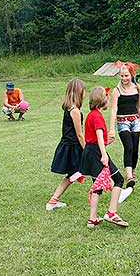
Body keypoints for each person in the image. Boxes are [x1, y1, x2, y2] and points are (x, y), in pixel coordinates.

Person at [80, 86, 128, 228]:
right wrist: (103, 154)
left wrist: (106, 143)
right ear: (103, 100)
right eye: (106, 97)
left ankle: (92, 219)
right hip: (96, 153)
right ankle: (112, 213)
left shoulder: (91, 115)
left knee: (97, 185)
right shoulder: (98, 117)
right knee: (118, 179)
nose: (108, 99)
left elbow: (95, 137)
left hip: (90, 151)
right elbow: (99, 137)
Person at [46, 79, 86, 211]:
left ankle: (53, 200)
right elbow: (79, 134)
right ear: (79, 92)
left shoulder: (69, 108)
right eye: (84, 91)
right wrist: (86, 149)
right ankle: (113, 189)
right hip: (73, 148)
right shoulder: (75, 111)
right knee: (80, 172)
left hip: (69, 146)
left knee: (74, 174)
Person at [109, 61, 140, 203]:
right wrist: (112, 128)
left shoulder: (138, 88)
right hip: (122, 121)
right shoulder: (116, 91)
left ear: (132, 75)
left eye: (126, 76)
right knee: (128, 147)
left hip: (135, 120)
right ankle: (129, 176)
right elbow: (113, 110)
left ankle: (133, 171)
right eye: (121, 76)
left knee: (135, 149)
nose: (124, 79)